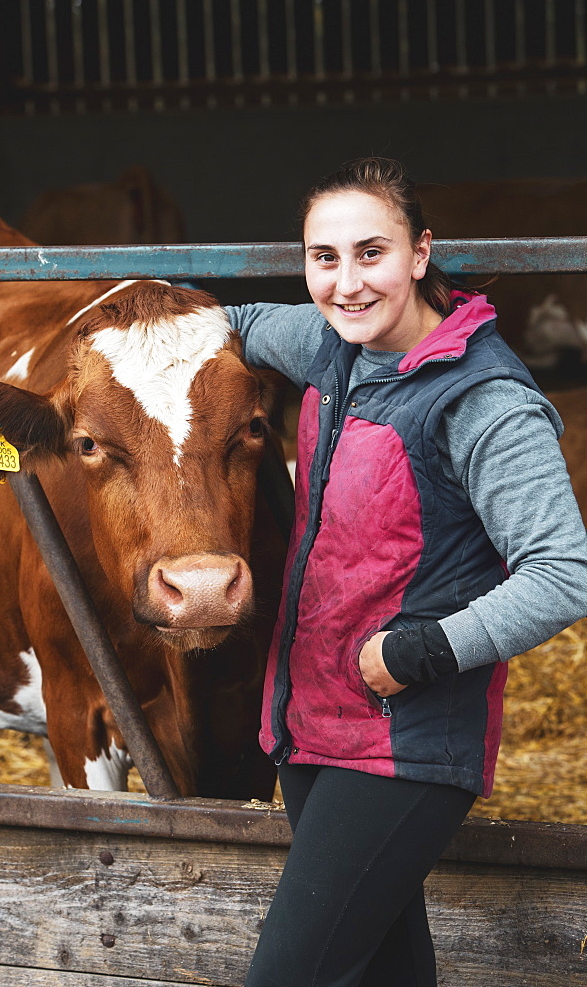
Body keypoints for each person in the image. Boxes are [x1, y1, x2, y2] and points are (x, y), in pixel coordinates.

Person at [224, 156, 587, 987]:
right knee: (382, 973)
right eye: (325, 257)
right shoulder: (329, 347)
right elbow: (229, 321)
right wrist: (129, 325)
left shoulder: (481, 399)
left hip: (404, 741)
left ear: (420, 254)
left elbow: (564, 571)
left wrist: (416, 653)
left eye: (371, 253)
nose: (347, 283)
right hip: (310, 726)